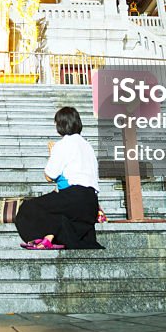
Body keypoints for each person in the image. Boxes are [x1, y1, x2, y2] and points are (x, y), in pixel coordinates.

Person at [15, 106, 104, 250]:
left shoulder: (63, 144)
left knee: (28, 208)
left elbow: (49, 175)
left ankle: (40, 238)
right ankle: (49, 238)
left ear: (61, 125)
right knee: (58, 211)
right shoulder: (88, 146)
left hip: (73, 197)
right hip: (91, 203)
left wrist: (52, 153)